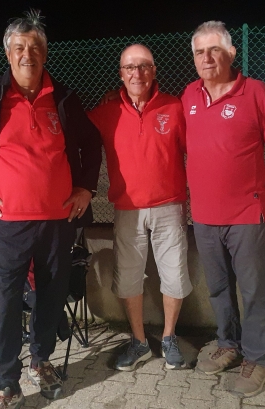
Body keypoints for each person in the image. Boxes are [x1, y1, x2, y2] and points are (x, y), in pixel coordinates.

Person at [0, 10, 102, 408]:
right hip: (8, 223)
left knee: (50, 295)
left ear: (46, 53)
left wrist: (85, 186)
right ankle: (6, 378)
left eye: (35, 47)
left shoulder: (64, 97)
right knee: (8, 299)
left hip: (57, 221)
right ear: (8, 54)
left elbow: (91, 142)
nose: (27, 55)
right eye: (19, 48)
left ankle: (42, 360)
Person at [181, 21, 265, 397]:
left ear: (231, 54)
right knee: (219, 287)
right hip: (204, 216)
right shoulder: (188, 95)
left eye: (214, 50)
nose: (206, 58)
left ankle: (258, 359)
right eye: (199, 52)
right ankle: (229, 343)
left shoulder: (255, 91)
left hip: (247, 215)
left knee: (254, 290)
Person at [87, 44, 193, 372]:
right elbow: (75, 139)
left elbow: (198, 151)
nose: (137, 73)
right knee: (129, 277)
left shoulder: (174, 107)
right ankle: (139, 341)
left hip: (169, 206)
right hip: (127, 208)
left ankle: (170, 337)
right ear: (121, 74)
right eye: (130, 67)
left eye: (144, 66)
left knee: (174, 273)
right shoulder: (105, 113)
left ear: (153, 70)